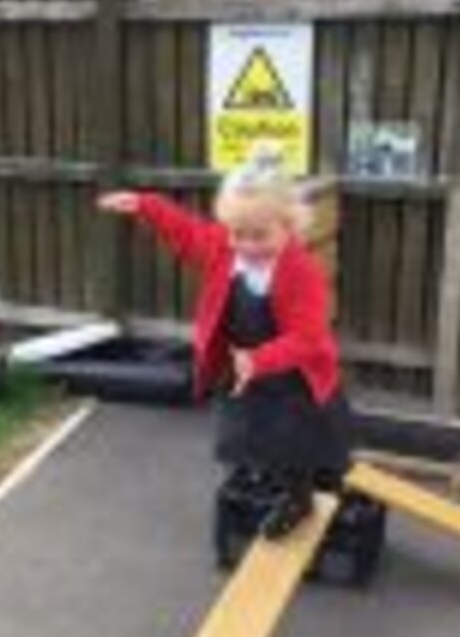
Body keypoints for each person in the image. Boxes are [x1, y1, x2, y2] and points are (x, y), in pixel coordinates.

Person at [96, 144, 352, 537]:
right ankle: (276, 483)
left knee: (297, 442)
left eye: (259, 236)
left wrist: (260, 360)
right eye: (237, 234)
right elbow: (187, 231)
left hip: (293, 376)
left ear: (289, 226)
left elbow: (310, 336)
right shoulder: (224, 250)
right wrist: (146, 206)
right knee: (248, 435)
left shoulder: (300, 272)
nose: (246, 246)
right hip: (246, 372)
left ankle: (302, 497)